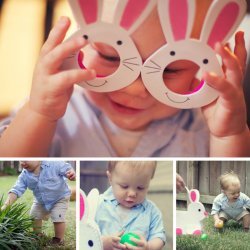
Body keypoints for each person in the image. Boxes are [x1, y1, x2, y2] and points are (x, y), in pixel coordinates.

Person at [0, 0, 249, 157]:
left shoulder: (205, 130)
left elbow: (229, 174)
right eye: (111, 57)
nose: (134, 89)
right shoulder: (49, 112)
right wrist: (39, 114)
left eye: (169, 70)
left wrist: (229, 136)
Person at [95, 161, 166, 250]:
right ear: (110, 178)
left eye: (140, 188)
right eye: (124, 186)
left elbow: (159, 237)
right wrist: (101, 243)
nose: (132, 194)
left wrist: (149, 247)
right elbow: (87, 233)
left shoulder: (152, 211)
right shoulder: (98, 204)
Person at [1, 161, 76, 245]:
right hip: (41, 200)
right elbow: (16, 189)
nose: (22, 162)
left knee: (57, 216)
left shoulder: (54, 164)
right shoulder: (24, 175)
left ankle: (58, 239)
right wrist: (6, 205)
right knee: (34, 215)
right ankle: (37, 234)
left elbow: (66, 168)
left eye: (26, 159)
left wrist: (72, 174)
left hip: (59, 198)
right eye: (21, 160)